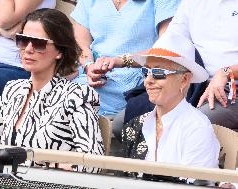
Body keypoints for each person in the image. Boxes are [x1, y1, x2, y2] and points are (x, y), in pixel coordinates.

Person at [0, 8, 105, 173]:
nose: (28, 49)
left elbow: (93, 161)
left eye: (39, 43)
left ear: (60, 51)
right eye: (23, 40)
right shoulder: (13, 90)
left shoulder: (77, 96)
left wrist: (38, 169)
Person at [127, 0, 238, 130]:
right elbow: (169, 45)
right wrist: (123, 60)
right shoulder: (192, 3)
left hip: (231, 91)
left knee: (190, 125)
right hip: (195, 87)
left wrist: (226, 71)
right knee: (127, 123)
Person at [121, 33, 220, 172]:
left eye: (158, 72)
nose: (148, 80)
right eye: (146, 72)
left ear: (185, 79)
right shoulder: (135, 124)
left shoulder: (197, 128)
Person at [70, 0, 181, 117]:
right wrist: (89, 65)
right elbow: (80, 43)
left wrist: (121, 61)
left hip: (139, 82)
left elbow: (167, 48)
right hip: (90, 79)